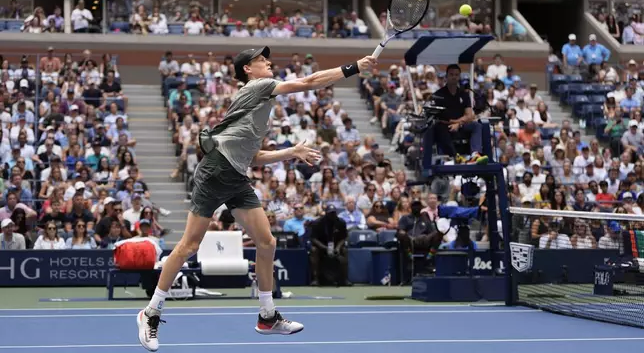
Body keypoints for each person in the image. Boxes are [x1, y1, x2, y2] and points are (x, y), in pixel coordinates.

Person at [137, 46, 376, 351]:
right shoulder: (258, 87)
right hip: (215, 171)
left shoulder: (257, 106)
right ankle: (151, 311)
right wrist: (354, 67)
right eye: (261, 61)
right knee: (189, 246)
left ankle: (267, 316)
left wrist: (290, 152)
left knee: (267, 242)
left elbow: (253, 156)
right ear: (248, 70)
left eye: (266, 59)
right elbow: (308, 82)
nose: (268, 63)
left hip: (234, 175)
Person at [428, 64, 487, 164]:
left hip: (461, 125)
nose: (454, 77)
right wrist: (455, 123)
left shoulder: (464, 94)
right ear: (446, 77)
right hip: (446, 126)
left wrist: (458, 123)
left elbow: (469, 115)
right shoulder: (438, 95)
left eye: (456, 75)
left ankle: (475, 155)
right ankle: (455, 156)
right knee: (439, 127)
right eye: (451, 74)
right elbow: (440, 117)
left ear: (459, 76)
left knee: (476, 125)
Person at [309, 205, 350, 286]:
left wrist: (338, 247)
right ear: (326, 213)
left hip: (336, 246)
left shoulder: (341, 222)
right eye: (330, 213)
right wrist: (324, 248)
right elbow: (313, 238)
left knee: (344, 251)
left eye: (334, 213)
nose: (332, 215)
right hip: (321, 246)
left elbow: (344, 237)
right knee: (314, 250)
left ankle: (345, 279)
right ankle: (315, 279)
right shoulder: (317, 223)